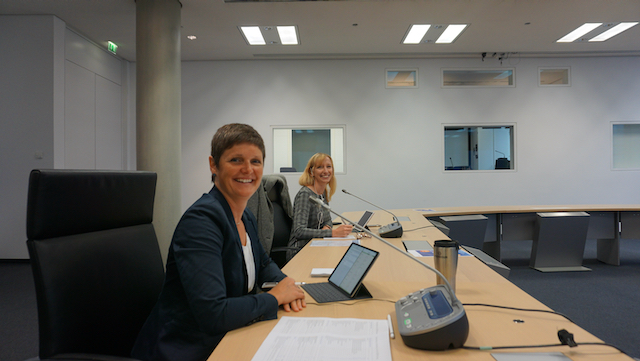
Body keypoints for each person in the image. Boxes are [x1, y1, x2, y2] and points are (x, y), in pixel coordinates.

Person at [131, 123, 305, 361]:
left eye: (256, 162)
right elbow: (213, 313)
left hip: (226, 337)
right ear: (213, 164)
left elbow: (263, 264)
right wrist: (274, 298)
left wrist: (287, 284)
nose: (248, 169)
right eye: (236, 160)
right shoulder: (201, 221)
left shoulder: (245, 216)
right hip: (185, 349)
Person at [290, 153, 353, 249]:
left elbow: (328, 220)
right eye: (320, 167)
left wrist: (326, 228)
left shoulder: (322, 193)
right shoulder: (305, 194)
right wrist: (332, 232)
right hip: (300, 249)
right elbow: (299, 231)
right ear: (311, 172)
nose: (326, 171)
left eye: (329, 166)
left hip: (318, 244)